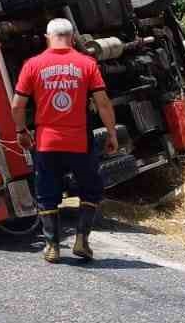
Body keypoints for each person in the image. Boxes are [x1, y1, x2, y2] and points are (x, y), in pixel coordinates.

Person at [12, 18, 118, 264]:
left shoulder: (33, 65)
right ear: (71, 38)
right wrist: (111, 133)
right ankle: (82, 240)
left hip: (47, 142)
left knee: (47, 193)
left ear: (48, 37)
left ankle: (52, 246)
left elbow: (17, 105)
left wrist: (21, 132)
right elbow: (102, 103)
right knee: (90, 188)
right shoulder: (87, 64)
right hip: (79, 141)